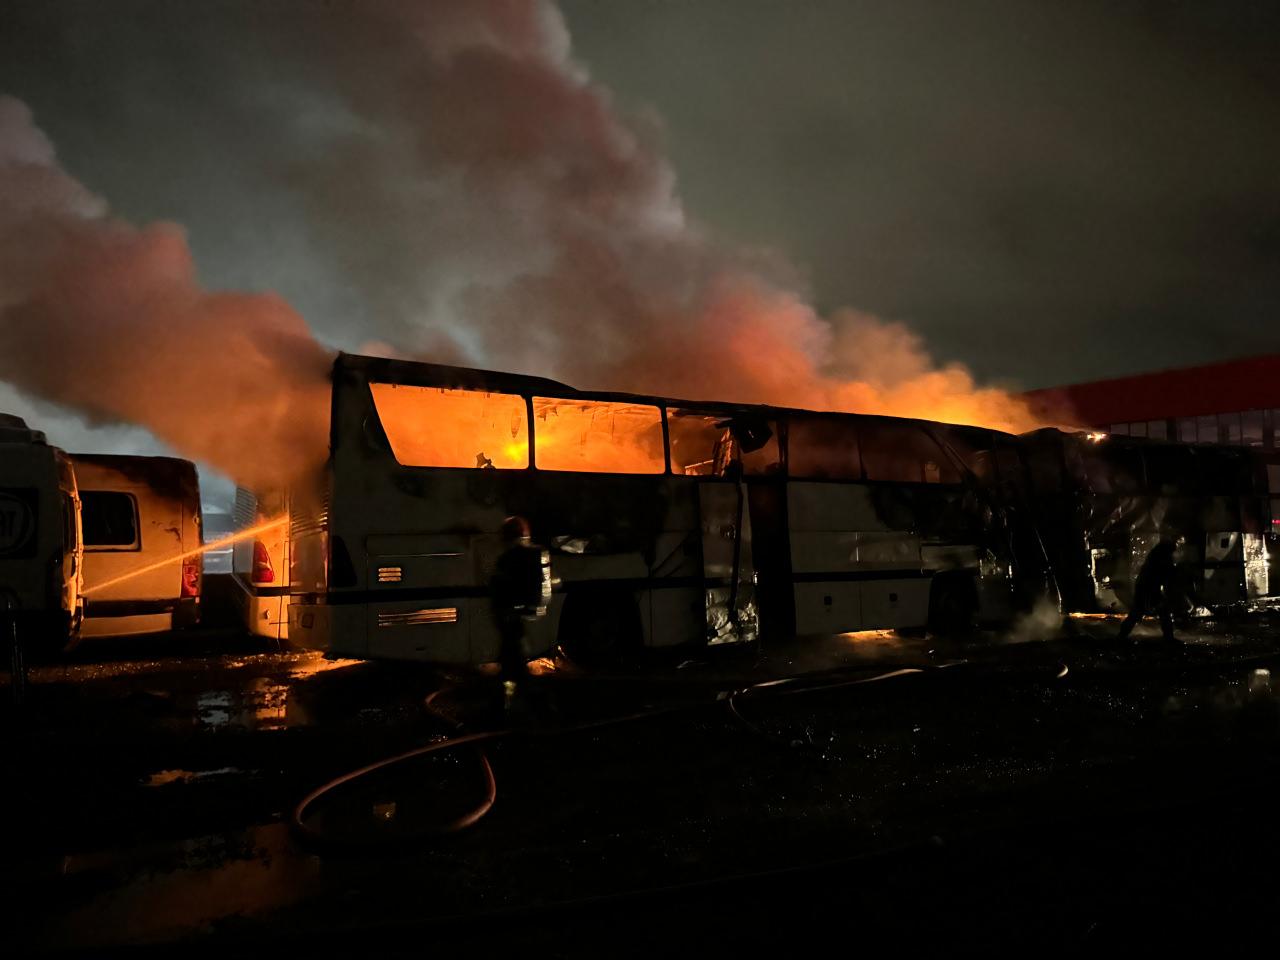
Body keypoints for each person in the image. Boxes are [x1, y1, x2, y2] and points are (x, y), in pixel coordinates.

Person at [490, 515, 550, 712]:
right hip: (520, 615)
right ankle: (525, 699)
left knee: (511, 660)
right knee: (515, 658)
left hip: (509, 616)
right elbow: (542, 586)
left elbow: (498, 589)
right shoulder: (534, 554)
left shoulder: (505, 559)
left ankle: (512, 703)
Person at [1117, 535, 1180, 643]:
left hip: (1148, 587)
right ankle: (1121, 636)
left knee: (1145, 612)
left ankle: (1121, 636)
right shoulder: (1161, 555)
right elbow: (1165, 573)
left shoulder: (1159, 554)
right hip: (1148, 587)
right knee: (1140, 612)